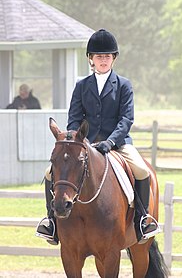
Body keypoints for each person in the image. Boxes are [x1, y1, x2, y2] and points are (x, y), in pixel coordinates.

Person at [36, 29, 160, 245]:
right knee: (49, 173)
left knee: (141, 171)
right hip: (86, 145)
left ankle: (142, 219)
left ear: (114, 58)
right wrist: (78, 140)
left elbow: (126, 119)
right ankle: (51, 221)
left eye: (107, 56)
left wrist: (110, 141)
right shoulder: (82, 86)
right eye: (99, 56)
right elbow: (74, 118)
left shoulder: (123, 85)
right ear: (90, 59)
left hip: (118, 144)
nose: (103, 60)